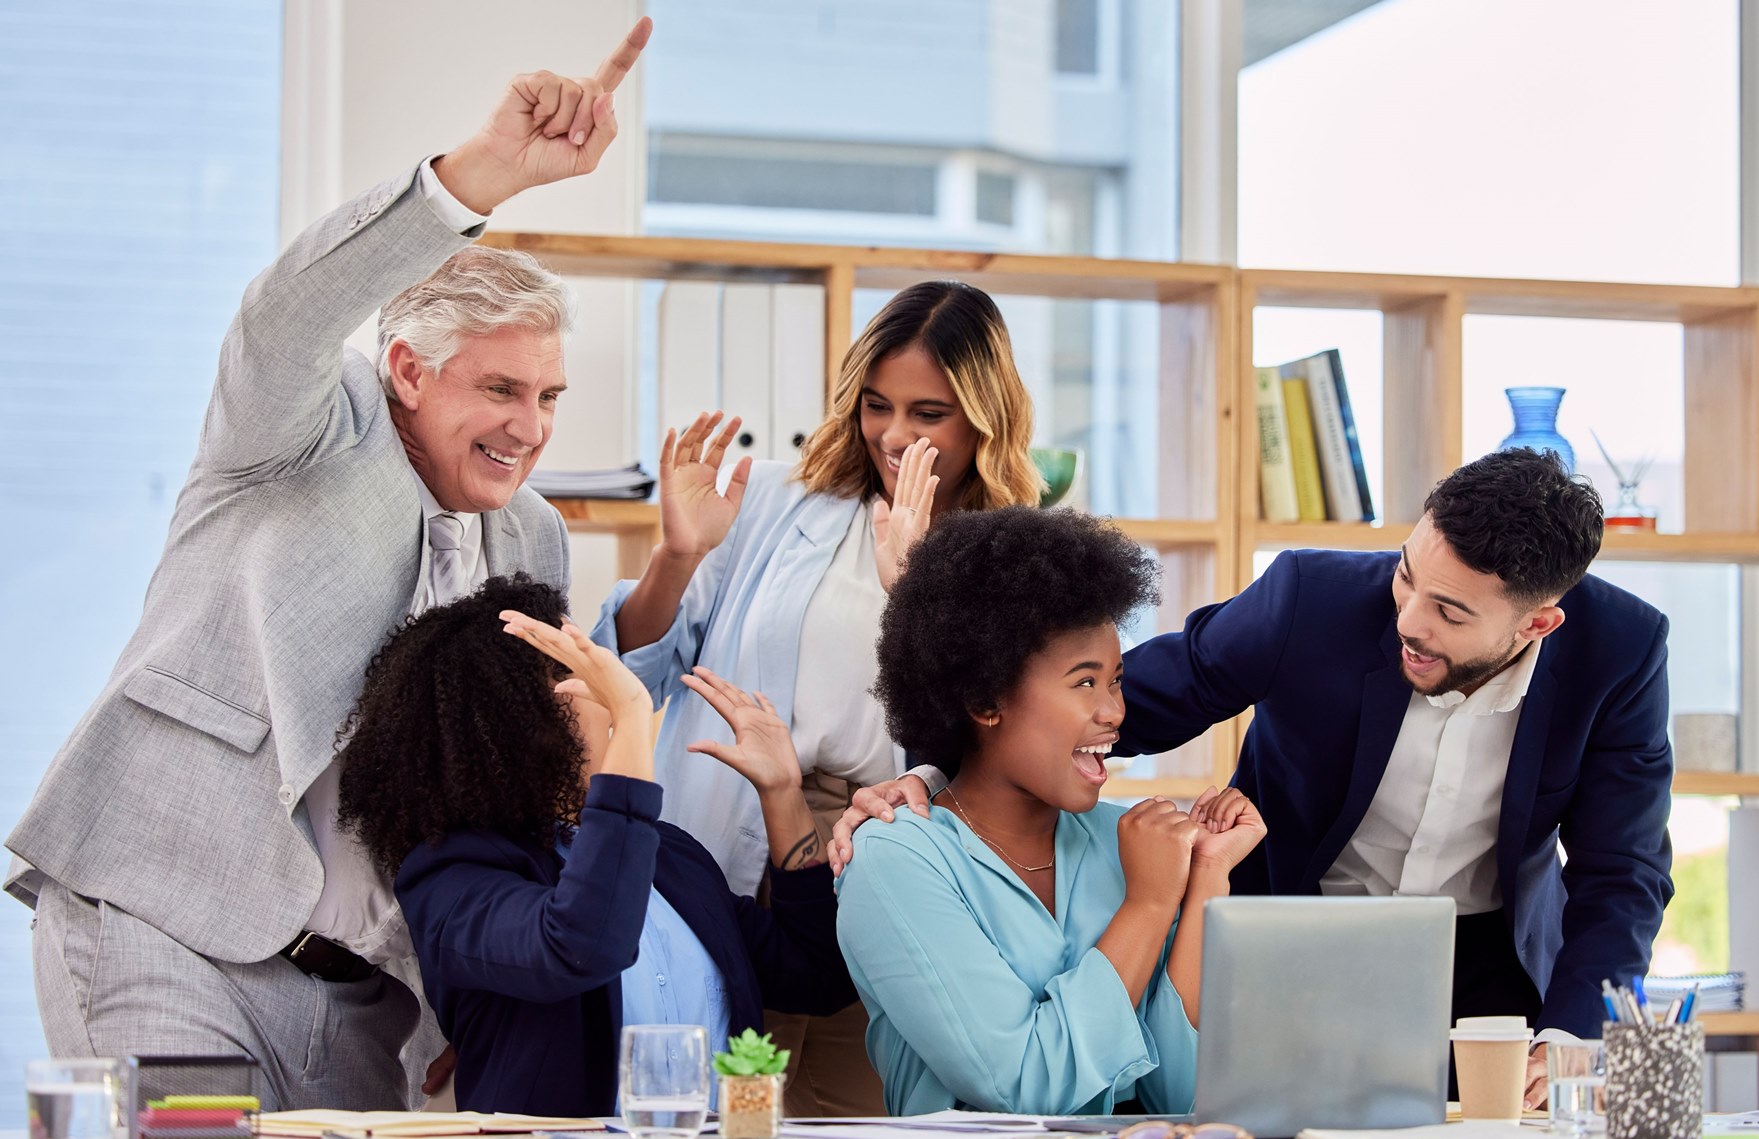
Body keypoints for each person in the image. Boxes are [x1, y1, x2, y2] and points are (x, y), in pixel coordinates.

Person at [6, 20, 654, 1110]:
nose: (528, 427)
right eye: (498, 391)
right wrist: (482, 174)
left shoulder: (532, 537)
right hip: (173, 928)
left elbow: (502, 785)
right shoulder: (308, 426)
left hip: (369, 998)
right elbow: (284, 318)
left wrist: (468, 997)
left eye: (547, 398)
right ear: (406, 369)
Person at [835, 449, 1675, 1108]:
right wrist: (937, 766)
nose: (1408, 621)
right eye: (1408, 576)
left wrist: (1571, 1033)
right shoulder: (1312, 600)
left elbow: (1622, 872)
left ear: (1538, 621)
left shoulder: (1621, 652)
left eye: (1450, 613)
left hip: (1482, 960)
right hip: (1284, 936)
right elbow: (1109, 700)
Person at [591, 280, 1042, 1113]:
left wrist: (912, 583)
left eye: (927, 413)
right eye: (877, 405)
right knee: (704, 1105)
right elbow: (636, 669)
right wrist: (678, 555)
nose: (895, 435)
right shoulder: (773, 495)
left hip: (881, 855)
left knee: (849, 1109)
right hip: (728, 819)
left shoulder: (1014, 554)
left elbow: (998, 746)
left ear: (985, 416)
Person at [331, 575, 854, 1116]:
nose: (610, 692)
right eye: (580, 675)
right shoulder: (450, 878)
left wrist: (782, 793)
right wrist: (631, 717)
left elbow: (816, 975)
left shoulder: (670, 855)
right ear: (516, 721)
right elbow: (582, 943)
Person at [836, 506, 1267, 1116]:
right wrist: (1147, 906)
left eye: (1116, 680)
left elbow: (1189, 1096)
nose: (1115, 712)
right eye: (1084, 682)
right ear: (986, 699)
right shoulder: (894, 862)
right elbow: (1022, 1090)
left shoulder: (1126, 841)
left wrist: (1203, 884)